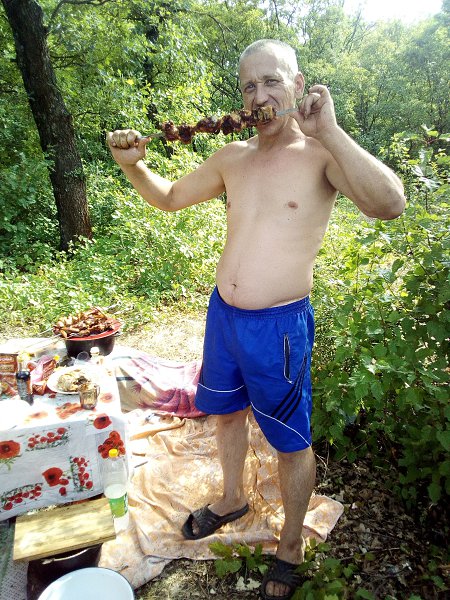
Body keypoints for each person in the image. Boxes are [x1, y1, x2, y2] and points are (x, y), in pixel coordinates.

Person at [107, 39, 405, 600]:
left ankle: (290, 546)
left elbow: (389, 203)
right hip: (224, 317)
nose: (259, 95)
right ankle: (232, 498)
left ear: (298, 85)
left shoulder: (321, 156)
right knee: (225, 415)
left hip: (279, 328)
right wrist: (134, 165)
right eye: (249, 85)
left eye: (271, 81)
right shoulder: (232, 157)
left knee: (290, 441)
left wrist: (330, 131)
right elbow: (169, 198)